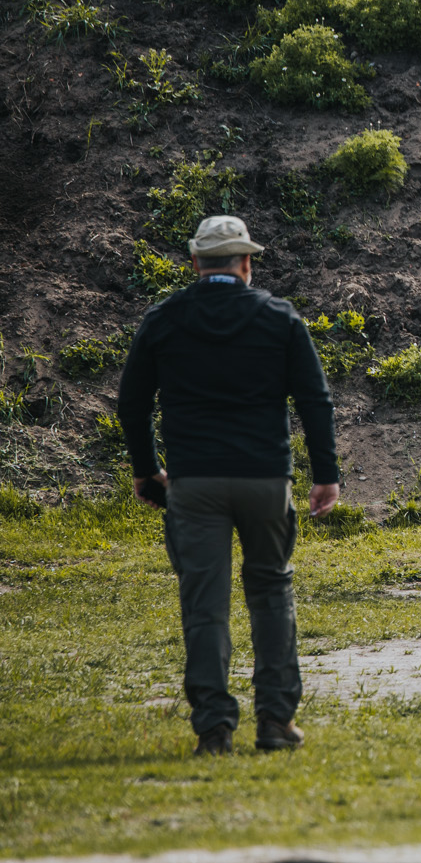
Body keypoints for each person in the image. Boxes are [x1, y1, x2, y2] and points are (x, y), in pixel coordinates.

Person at [116, 215, 340, 756]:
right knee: (270, 591)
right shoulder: (278, 318)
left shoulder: (165, 318)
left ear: (195, 262)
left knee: (205, 603)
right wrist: (326, 474)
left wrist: (147, 471)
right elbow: (314, 400)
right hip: (265, 478)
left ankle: (214, 729)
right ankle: (275, 722)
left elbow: (132, 403)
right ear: (246, 262)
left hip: (194, 482)